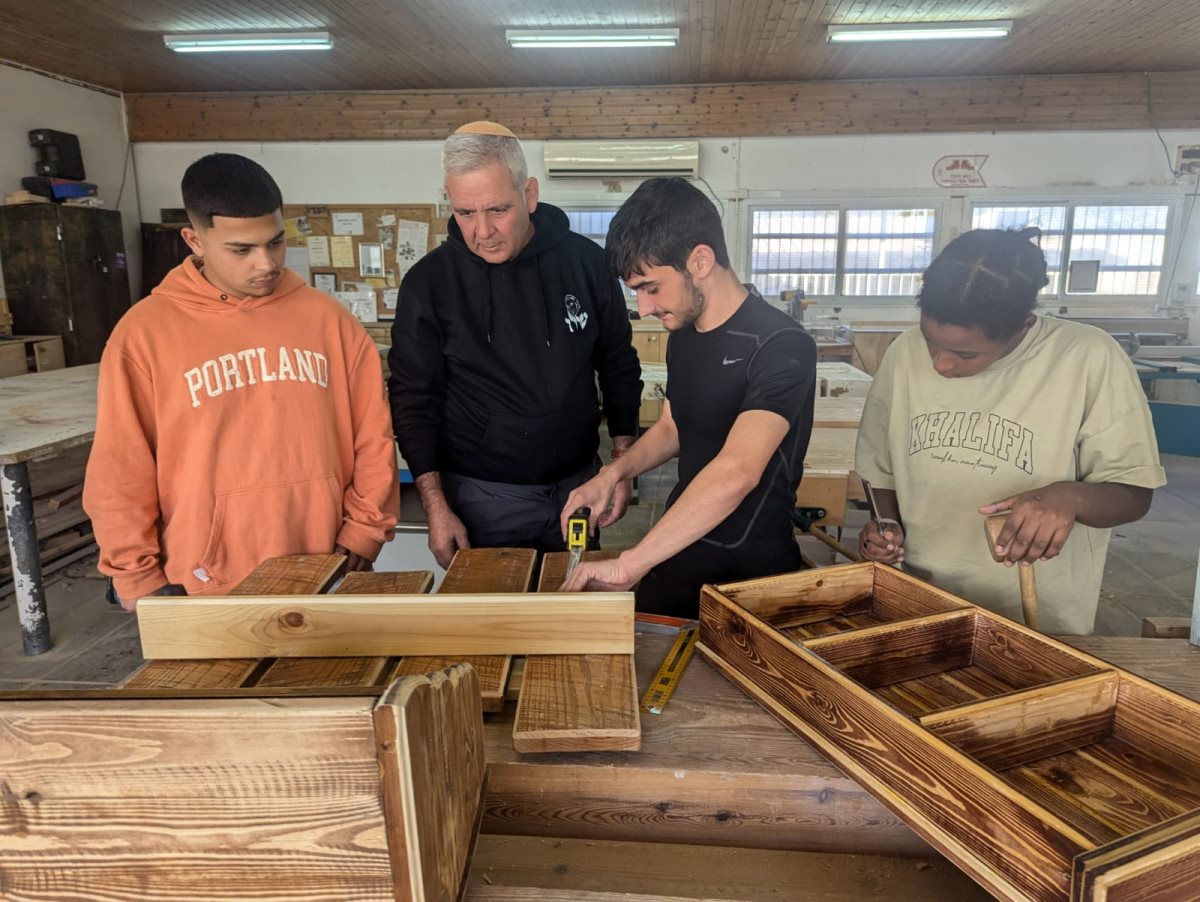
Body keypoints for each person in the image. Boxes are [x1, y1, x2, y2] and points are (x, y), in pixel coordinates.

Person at [83, 153, 399, 609]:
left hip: (325, 567)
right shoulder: (143, 335)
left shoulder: (330, 321)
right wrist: (135, 574)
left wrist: (365, 529)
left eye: (275, 243)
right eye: (241, 250)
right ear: (194, 240)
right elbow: (121, 466)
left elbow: (372, 434)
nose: (266, 263)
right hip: (201, 584)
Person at [855, 227, 1165, 635]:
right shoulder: (903, 352)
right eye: (931, 341)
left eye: (965, 353)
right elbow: (880, 469)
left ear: (1022, 325)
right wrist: (887, 525)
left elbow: (1134, 493)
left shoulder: (1087, 357)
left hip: (1038, 617)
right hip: (925, 601)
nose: (940, 364)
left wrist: (1070, 497)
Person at [560, 177, 817, 618]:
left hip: (749, 574)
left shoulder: (781, 345)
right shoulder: (684, 332)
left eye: (651, 287)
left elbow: (737, 472)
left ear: (700, 260)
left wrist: (631, 563)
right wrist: (614, 472)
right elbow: (673, 427)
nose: (643, 308)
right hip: (680, 545)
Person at [388, 121, 642, 567]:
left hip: (578, 487)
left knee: (576, 603)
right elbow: (412, 399)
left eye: (497, 210)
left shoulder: (587, 264)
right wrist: (435, 506)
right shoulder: (429, 283)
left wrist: (622, 464)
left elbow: (618, 364)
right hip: (483, 497)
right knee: (496, 612)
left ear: (529, 194)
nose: (482, 230)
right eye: (466, 213)